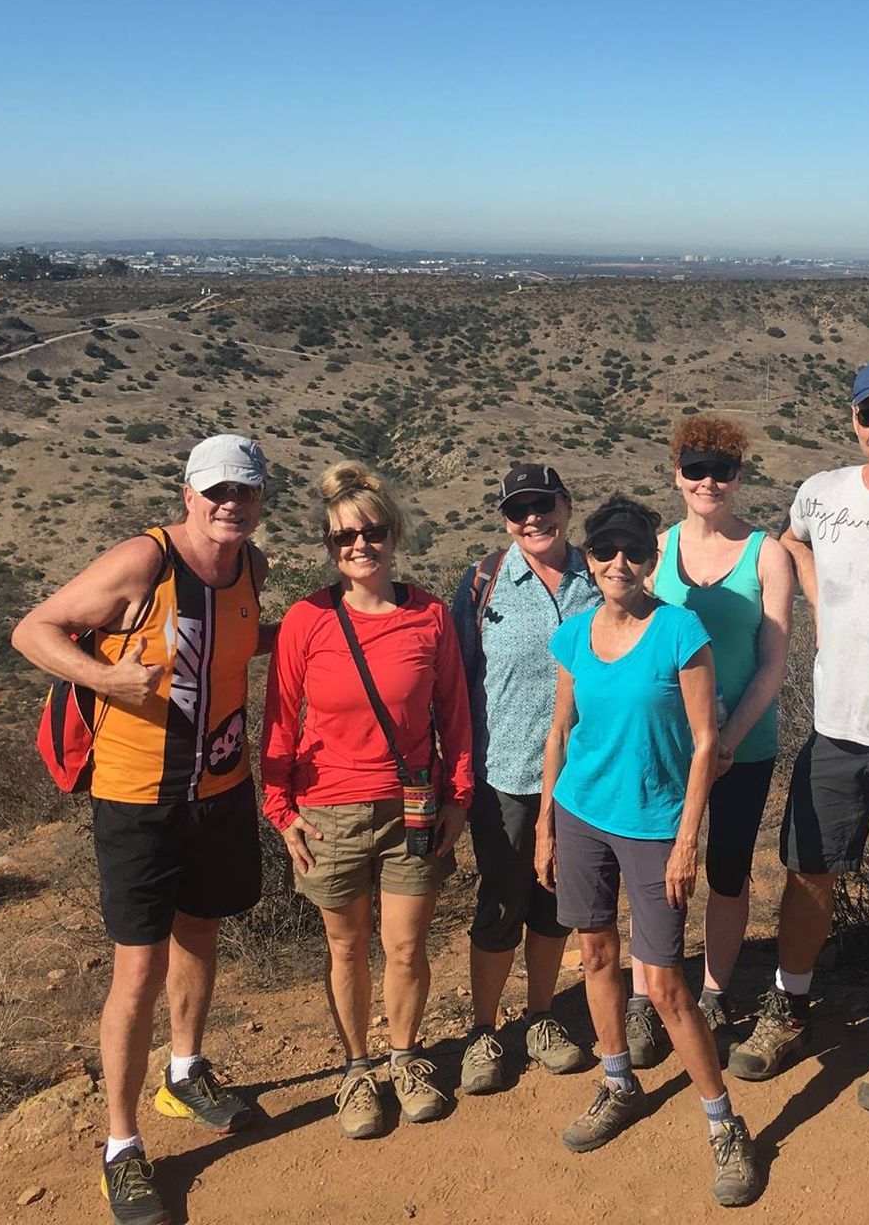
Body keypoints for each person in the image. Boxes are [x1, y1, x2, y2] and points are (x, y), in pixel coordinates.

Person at [12, 434, 274, 1225]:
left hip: (222, 787)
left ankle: (184, 1071)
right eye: (217, 492)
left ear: (261, 502)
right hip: (136, 798)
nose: (231, 505)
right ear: (188, 494)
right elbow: (33, 631)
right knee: (136, 970)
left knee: (201, 933)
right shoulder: (143, 562)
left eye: (246, 493)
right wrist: (106, 677)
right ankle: (121, 1148)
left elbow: (244, 640)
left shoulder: (249, 569)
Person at [731, 356, 869, 1112]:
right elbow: (789, 540)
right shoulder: (820, 494)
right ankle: (790, 1004)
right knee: (808, 870)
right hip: (839, 726)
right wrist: (819, 597)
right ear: (854, 420)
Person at [534, 496, 763, 1207]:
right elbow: (559, 732)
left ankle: (725, 1124)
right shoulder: (574, 636)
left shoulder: (677, 631)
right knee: (597, 954)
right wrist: (545, 823)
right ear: (590, 556)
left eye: (634, 550)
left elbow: (704, 742)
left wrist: (686, 839)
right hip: (581, 814)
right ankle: (617, 1082)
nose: (619, 563)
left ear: (651, 558)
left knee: (664, 985)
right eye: (605, 551)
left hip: (655, 824)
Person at [258, 464, 474, 1142]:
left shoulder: (429, 614)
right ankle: (357, 1069)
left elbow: (455, 716)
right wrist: (281, 811)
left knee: (406, 947)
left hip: (413, 805)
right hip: (328, 810)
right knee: (345, 947)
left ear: (393, 534)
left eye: (371, 532)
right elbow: (279, 720)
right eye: (343, 537)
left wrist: (459, 797)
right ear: (328, 547)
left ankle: (405, 1057)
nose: (359, 546)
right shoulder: (307, 620)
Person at [639, 414, 794, 1048]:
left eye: (721, 471)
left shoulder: (768, 555)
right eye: (696, 470)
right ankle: (653, 992)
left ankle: (712, 992)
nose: (708, 482)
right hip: (670, 746)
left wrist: (727, 737)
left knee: (727, 869)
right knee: (657, 867)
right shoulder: (657, 548)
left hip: (744, 746)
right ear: (677, 475)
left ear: (738, 477)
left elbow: (774, 661)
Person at [450, 464, 597, 1093]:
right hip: (504, 772)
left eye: (544, 504)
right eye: (519, 510)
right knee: (503, 896)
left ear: (567, 504)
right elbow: (455, 681)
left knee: (556, 900)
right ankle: (483, 1031)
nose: (533, 518)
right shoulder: (485, 583)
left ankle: (540, 1018)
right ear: (504, 519)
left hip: (584, 771)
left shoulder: (600, 575)